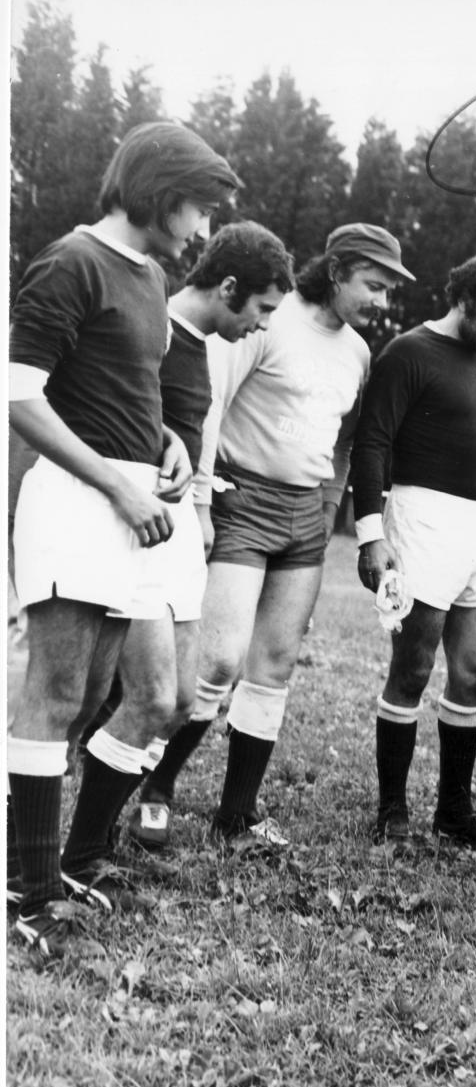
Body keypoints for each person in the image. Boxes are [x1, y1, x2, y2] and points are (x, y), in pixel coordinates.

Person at [7, 121, 241, 946]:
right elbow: (20, 395)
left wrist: (167, 445)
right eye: (199, 208)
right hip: (77, 499)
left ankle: (56, 869)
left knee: (97, 696)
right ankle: (23, 895)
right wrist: (113, 479)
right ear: (158, 191)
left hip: (130, 501)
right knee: (55, 696)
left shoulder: (146, 276)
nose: (204, 230)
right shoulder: (71, 261)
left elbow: (126, 393)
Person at [141, 222, 413, 848]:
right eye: (372, 285)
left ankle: (238, 813)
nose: (380, 301)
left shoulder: (359, 353)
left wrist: (329, 509)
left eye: (387, 291)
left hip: (305, 515)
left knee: (274, 666)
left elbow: (345, 444)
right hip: (240, 499)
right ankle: (156, 787)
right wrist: (206, 499)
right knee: (218, 659)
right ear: (338, 270)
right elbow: (211, 405)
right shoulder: (271, 316)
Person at [116, 223, 295, 854]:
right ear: (228, 287)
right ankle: (90, 831)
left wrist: (196, 503)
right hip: (131, 531)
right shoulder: (154, 331)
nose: (265, 324)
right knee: (128, 693)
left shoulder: (200, 344)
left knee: (183, 693)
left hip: (180, 532)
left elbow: (187, 435)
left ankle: (124, 807)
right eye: (265, 309)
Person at [351, 253, 476, 850]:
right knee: (415, 667)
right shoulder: (408, 352)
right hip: (421, 519)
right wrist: (372, 534)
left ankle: (454, 812)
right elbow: (372, 442)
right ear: (463, 298)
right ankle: (392, 811)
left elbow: (469, 446)